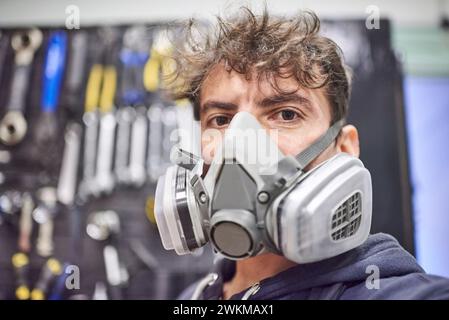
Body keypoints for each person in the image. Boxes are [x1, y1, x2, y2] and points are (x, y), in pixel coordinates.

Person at [162, 7, 449, 300]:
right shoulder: (192, 298)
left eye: (286, 114)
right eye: (221, 120)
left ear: (345, 148)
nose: (239, 142)